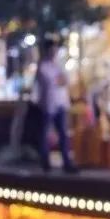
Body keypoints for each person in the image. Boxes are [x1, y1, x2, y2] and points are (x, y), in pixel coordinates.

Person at [34, 39, 77, 173]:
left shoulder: (58, 65)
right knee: (45, 133)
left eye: (55, 50)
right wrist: (60, 80)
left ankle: (66, 162)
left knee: (63, 133)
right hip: (49, 104)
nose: (54, 52)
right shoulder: (43, 66)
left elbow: (65, 80)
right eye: (52, 50)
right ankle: (45, 162)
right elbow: (53, 82)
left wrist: (61, 80)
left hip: (61, 103)